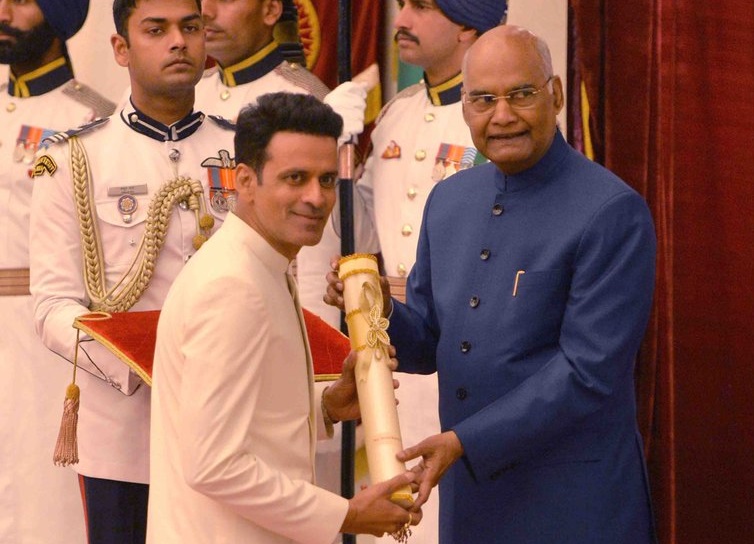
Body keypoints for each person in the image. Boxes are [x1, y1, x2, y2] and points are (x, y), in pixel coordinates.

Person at [326, 25, 658, 543]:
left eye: (521, 94)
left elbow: (588, 373)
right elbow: (432, 339)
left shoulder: (612, 211)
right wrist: (372, 309)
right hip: (474, 498)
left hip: (574, 500)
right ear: (465, 107)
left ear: (556, 95)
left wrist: (464, 441)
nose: (501, 116)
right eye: (482, 99)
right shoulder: (450, 200)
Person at [147, 92, 420, 544]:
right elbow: (213, 463)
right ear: (245, 181)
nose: (316, 198)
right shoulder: (232, 285)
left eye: (328, 180)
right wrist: (346, 514)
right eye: (295, 178)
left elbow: (248, 419)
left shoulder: (261, 265)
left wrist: (329, 404)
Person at [29, 0, 237, 542]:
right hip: (125, 433)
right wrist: (142, 364)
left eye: (190, 28)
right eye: (156, 29)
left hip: (232, 425)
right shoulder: (74, 157)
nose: (178, 42)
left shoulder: (244, 150)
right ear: (120, 48)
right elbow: (52, 305)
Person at [327, 2, 509, 542]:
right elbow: (351, 231)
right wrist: (336, 150)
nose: (401, 18)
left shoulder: (500, 123)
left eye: (422, 6)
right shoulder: (396, 113)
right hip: (392, 353)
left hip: (468, 359)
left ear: (467, 25)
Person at [0, 0, 114, 542]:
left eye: (20, 1)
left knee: (47, 503)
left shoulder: (91, 118)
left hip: (46, 333)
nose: (2, 11)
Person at [194, 0, 370, 328]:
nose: (207, 11)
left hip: (287, 317)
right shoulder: (189, 97)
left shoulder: (311, 101)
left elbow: (353, 235)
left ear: (271, 10)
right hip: (205, 308)